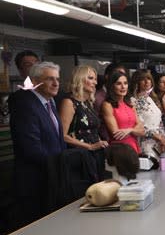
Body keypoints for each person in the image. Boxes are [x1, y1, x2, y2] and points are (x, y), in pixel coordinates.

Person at [9, 61, 66, 226]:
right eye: (49, 79)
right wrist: (58, 165)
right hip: (34, 181)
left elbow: (57, 138)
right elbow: (31, 148)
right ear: (34, 82)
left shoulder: (50, 103)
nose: (55, 83)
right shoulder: (26, 105)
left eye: (57, 79)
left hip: (52, 177)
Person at [58, 66, 109, 177]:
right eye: (91, 78)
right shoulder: (69, 102)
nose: (95, 82)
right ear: (79, 79)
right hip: (80, 158)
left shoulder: (88, 103)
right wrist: (89, 146)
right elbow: (62, 135)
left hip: (95, 155)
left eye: (95, 79)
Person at [101, 71, 144, 154]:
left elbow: (142, 131)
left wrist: (129, 130)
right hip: (119, 149)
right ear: (112, 86)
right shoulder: (107, 105)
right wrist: (135, 130)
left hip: (134, 147)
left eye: (125, 83)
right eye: (119, 83)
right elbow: (117, 134)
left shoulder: (130, 104)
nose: (123, 87)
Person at [130, 70, 165, 158]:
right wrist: (156, 136)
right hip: (145, 143)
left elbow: (159, 121)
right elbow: (138, 125)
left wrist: (163, 138)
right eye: (143, 79)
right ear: (137, 82)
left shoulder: (151, 98)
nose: (147, 82)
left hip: (159, 144)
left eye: (149, 79)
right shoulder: (133, 101)